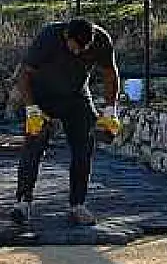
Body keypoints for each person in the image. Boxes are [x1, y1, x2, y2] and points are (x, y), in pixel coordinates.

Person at [12, 17, 121, 226]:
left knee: (84, 145)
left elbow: (110, 73)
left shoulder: (100, 40)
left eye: (84, 48)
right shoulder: (49, 38)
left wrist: (110, 110)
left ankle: (77, 205)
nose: (79, 52)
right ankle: (23, 202)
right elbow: (24, 74)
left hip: (76, 95)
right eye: (74, 47)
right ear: (66, 37)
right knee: (35, 143)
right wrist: (32, 109)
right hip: (42, 95)